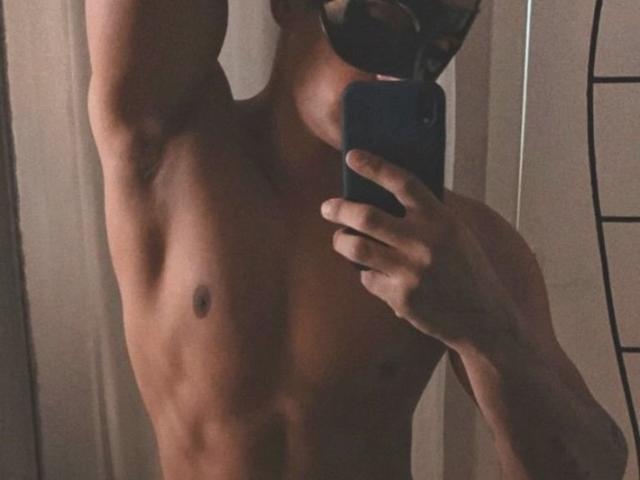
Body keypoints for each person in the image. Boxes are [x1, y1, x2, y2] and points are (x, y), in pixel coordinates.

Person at [85, 0, 629, 478]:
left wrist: (487, 330)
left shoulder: (457, 246)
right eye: (386, 18)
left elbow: (594, 469)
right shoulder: (168, 153)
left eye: (439, 38)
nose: (402, 73)